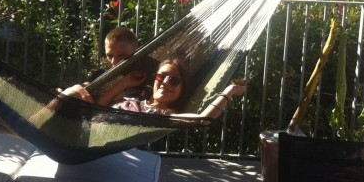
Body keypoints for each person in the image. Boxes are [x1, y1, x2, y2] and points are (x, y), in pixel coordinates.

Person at [61, 58, 246, 119]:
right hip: (88, 119)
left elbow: (203, 119)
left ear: (183, 89)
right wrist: (125, 82)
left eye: (174, 80)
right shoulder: (135, 97)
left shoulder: (167, 115)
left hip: (95, 133)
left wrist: (230, 90)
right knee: (76, 91)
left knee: (74, 93)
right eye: (160, 77)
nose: (165, 83)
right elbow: (99, 106)